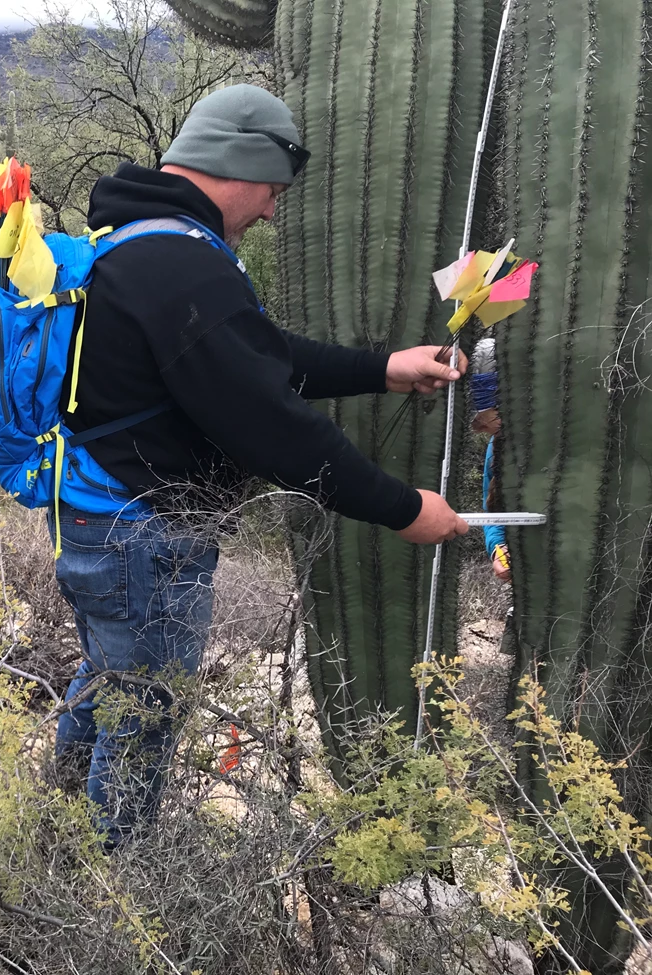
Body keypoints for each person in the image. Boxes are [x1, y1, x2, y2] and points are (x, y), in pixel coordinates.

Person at [51, 85, 470, 847]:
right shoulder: (181, 264)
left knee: (110, 682)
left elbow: (254, 357)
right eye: (274, 189)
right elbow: (275, 427)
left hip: (95, 521)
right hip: (146, 542)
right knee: (143, 722)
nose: (273, 211)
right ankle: (109, 899)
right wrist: (404, 508)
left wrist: (384, 367)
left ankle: (52, 840)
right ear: (236, 163)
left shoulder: (135, 239)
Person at [471, 337, 510, 583]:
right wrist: (498, 549)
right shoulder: (495, 448)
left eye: (489, 421)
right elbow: (492, 514)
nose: (486, 430)